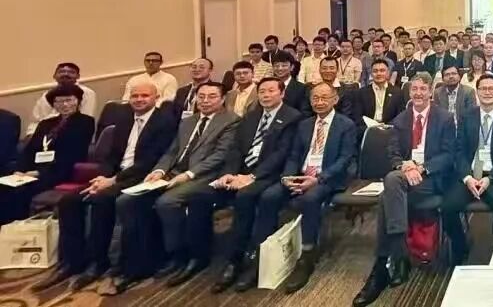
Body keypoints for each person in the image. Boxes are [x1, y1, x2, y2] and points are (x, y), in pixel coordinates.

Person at [36, 82, 176, 292]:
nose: (139, 100)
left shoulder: (164, 122)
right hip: (114, 175)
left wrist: (113, 180)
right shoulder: (124, 118)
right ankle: (71, 262)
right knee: (69, 201)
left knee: (101, 200)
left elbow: (150, 161)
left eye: (145, 96)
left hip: (143, 177)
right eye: (135, 96)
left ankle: (98, 262)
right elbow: (111, 156)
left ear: (156, 98)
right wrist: (103, 176)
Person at [109, 82, 238, 293]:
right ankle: (139, 257)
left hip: (204, 176)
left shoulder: (232, 121)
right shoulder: (188, 121)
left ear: (223, 99)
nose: (205, 101)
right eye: (201, 96)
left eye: (212, 96)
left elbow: (219, 156)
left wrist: (188, 175)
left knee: (166, 202)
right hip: (173, 173)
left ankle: (177, 254)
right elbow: (172, 151)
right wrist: (159, 171)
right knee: (127, 201)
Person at [354, 73, 455, 307]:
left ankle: (389, 261)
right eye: (414, 89)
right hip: (404, 179)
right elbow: (393, 154)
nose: (418, 93)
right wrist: (404, 166)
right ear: (409, 92)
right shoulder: (400, 120)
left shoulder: (445, 118)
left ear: (430, 92)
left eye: (422, 89)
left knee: (389, 190)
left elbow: (448, 156)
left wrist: (422, 168)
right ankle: (391, 260)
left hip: (432, 180)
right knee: (392, 184)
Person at [196, 78, 303, 293]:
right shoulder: (251, 116)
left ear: (282, 93)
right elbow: (236, 149)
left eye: (271, 91)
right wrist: (229, 174)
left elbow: (281, 154)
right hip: (242, 173)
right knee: (201, 195)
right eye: (262, 91)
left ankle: (242, 260)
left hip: (270, 174)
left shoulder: (292, 117)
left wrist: (252, 176)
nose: (266, 95)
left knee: (245, 197)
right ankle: (197, 256)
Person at [256, 82, 358, 293]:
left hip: (329, 177)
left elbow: (345, 159)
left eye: (324, 98)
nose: (319, 102)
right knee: (269, 196)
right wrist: (287, 177)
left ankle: (307, 254)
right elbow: (294, 156)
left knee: (310, 199)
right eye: (315, 98)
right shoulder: (304, 125)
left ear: (335, 100)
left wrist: (319, 178)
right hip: (300, 175)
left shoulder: (346, 125)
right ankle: (262, 251)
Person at [442, 74, 493, 263]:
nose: (487, 92)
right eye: (483, 88)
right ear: (477, 92)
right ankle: (460, 245)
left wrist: (490, 178)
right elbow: (459, 151)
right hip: (469, 174)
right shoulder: (467, 115)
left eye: (492, 88)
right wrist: (467, 177)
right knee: (447, 207)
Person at [1, 85, 95, 225]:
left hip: (60, 170)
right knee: (4, 186)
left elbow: (73, 153)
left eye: (69, 100)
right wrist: (21, 169)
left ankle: (18, 226)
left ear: (78, 101)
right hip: (32, 171)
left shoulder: (85, 122)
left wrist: (38, 173)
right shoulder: (46, 124)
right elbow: (29, 150)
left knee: (20, 191)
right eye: (59, 101)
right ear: (53, 104)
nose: (65, 105)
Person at [30, 62, 98, 132]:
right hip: (44, 132)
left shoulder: (87, 93)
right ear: (54, 76)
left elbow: (86, 120)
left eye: (71, 72)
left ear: (78, 76)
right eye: (61, 72)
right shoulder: (46, 95)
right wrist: (31, 134)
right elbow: (35, 121)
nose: (66, 74)